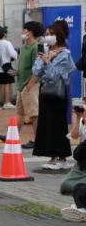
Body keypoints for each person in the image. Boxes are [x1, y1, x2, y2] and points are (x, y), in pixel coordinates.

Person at [30, 20, 75, 172]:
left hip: (58, 94)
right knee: (47, 124)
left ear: (59, 35)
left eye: (51, 34)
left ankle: (62, 157)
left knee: (57, 125)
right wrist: (42, 59)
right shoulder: (46, 51)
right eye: (47, 34)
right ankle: (52, 156)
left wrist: (49, 63)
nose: (48, 37)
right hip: (45, 92)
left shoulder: (65, 54)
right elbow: (36, 71)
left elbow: (58, 76)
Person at [8, 21, 44, 147]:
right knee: (20, 112)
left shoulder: (36, 47)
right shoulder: (23, 47)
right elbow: (25, 67)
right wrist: (17, 72)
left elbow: (38, 68)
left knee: (34, 114)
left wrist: (30, 85)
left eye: (25, 30)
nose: (23, 32)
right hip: (21, 85)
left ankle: (38, 140)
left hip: (30, 85)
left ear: (31, 32)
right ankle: (13, 136)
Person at [59, 100, 86, 222]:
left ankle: (81, 209)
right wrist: (78, 117)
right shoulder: (82, 119)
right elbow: (74, 135)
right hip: (82, 162)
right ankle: (80, 208)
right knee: (67, 186)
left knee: (79, 189)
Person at [0, 24, 18, 109]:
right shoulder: (7, 43)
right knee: (7, 84)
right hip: (6, 66)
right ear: (4, 34)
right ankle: (7, 102)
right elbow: (13, 54)